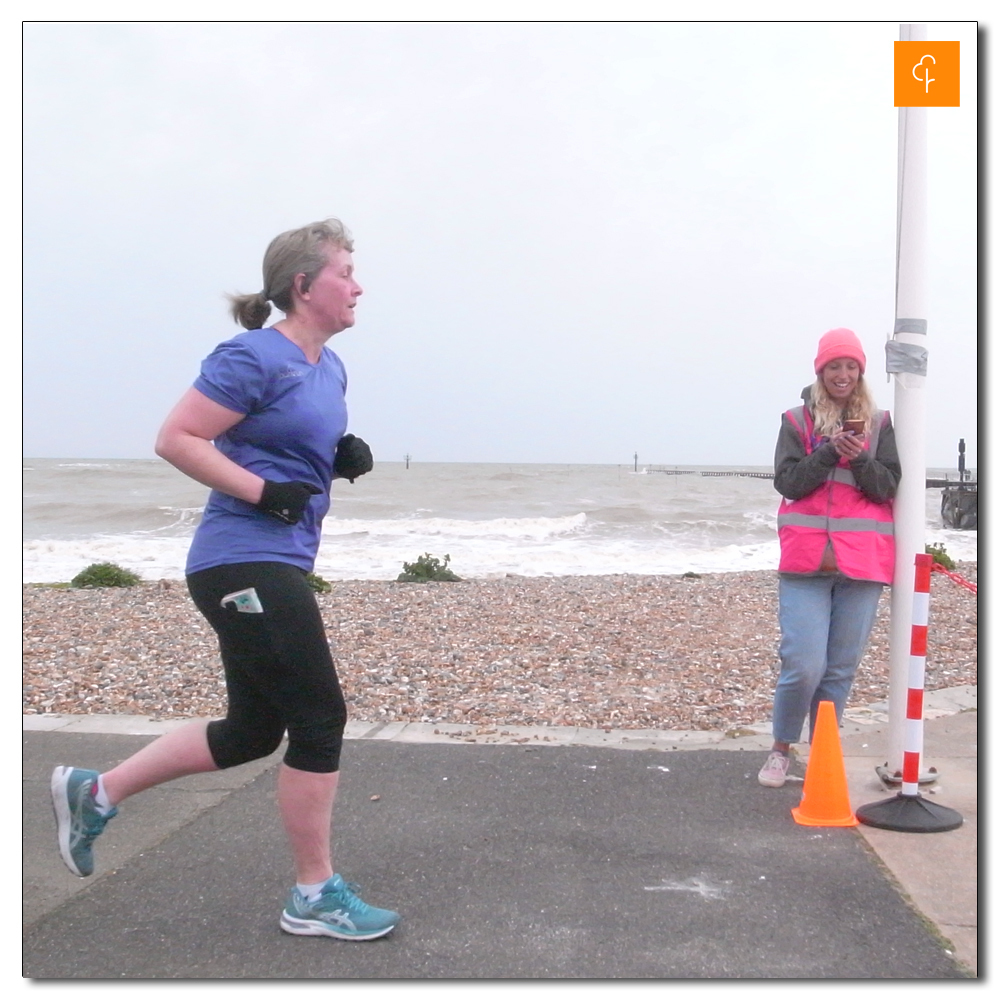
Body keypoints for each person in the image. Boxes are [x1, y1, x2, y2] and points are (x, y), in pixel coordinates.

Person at [50, 218, 400, 941]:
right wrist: (260, 493)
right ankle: (313, 894)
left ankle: (97, 792)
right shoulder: (250, 356)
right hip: (241, 559)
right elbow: (176, 436)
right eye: (345, 272)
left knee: (249, 732)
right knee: (320, 718)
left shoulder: (329, 368)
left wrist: (337, 461)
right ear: (304, 286)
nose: (358, 284)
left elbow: (282, 447)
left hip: (279, 559)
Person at [758, 327, 900, 788]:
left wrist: (858, 458)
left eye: (851, 367)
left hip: (862, 565)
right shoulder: (796, 420)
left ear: (861, 373)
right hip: (805, 564)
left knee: (839, 669)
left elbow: (887, 488)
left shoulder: (879, 424)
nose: (842, 374)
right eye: (834, 367)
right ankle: (781, 749)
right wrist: (826, 454)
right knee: (803, 664)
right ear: (821, 372)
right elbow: (789, 484)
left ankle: (823, 756)